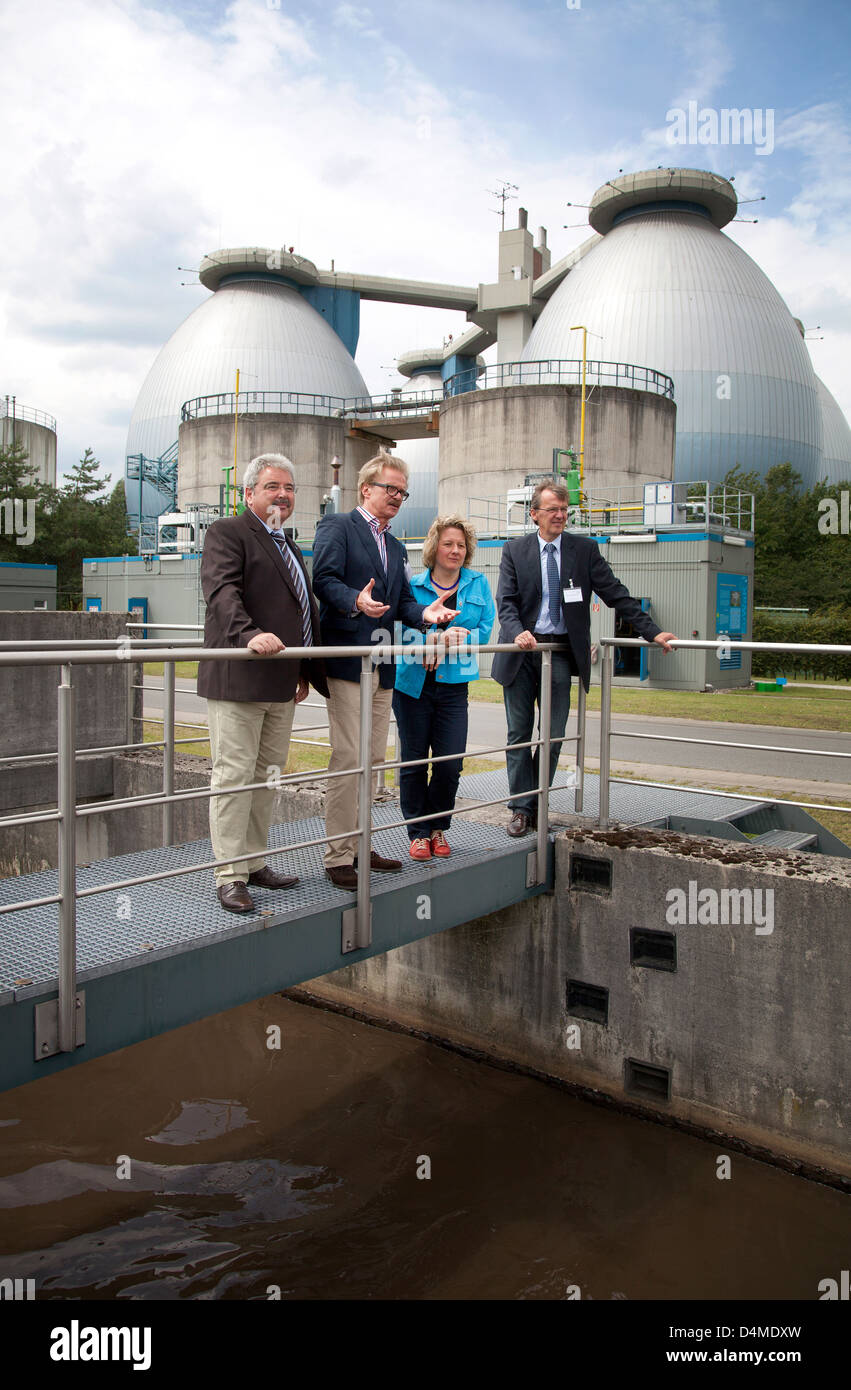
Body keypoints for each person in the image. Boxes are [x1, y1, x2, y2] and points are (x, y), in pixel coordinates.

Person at [492, 479, 677, 836]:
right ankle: (521, 809)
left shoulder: (584, 550)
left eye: (564, 510)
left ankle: (535, 802)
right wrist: (517, 631)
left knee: (554, 735)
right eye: (553, 510)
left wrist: (652, 631)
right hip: (521, 652)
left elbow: (617, 595)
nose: (560, 515)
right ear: (535, 515)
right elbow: (507, 602)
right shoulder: (514, 551)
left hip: (560, 653)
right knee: (518, 734)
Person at [311, 451, 458, 889]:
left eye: (402, 491)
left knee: (373, 760)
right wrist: (355, 599)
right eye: (389, 488)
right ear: (366, 489)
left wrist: (425, 614)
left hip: (383, 664)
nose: (396, 496)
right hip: (347, 659)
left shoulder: (395, 545)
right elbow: (323, 579)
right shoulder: (338, 526)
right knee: (349, 757)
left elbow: (401, 604)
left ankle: (360, 846)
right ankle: (338, 856)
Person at [198, 454, 327, 913]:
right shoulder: (228, 533)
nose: (283, 495)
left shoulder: (288, 545)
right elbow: (221, 593)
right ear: (249, 493)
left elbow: (300, 612)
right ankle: (229, 875)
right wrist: (249, 635)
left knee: (267, 776)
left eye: (290, 488)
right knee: (233, 777)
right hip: (239, 678)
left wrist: (302, 670)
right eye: (273, 486)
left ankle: (253, 863)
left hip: (280, 682)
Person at [393, 515, 496, 861]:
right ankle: (419, 833)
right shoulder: (412, 584)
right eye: (448, 543)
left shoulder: (478, 584)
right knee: (414, 761)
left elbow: (485, 629)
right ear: (434, 547)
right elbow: (397, 627)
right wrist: (432, 638)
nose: (454, 550)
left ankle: (439, 827)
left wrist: (457, 641)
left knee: (450, 762)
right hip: (412, 684)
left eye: (461, 545)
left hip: (454, 686)